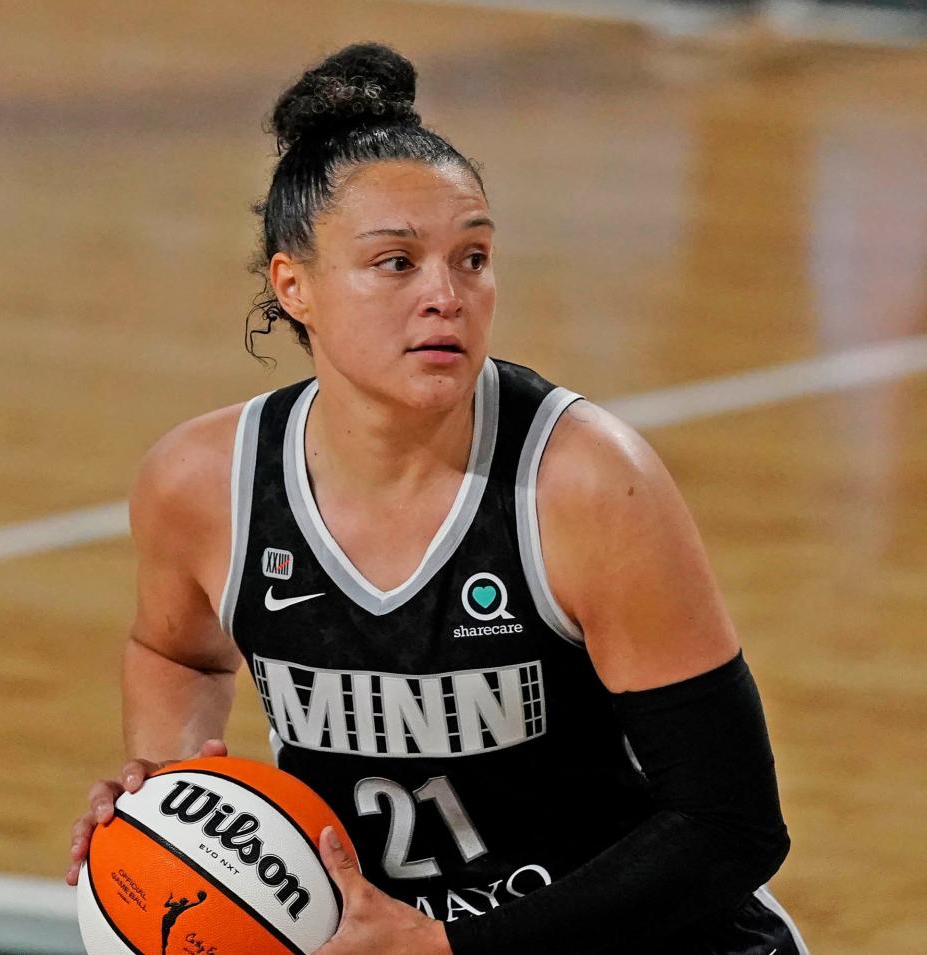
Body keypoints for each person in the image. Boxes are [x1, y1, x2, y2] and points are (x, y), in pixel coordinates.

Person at [67, 42, 808, 955]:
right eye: (395, 263)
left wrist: (454, 952)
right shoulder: (200, 482)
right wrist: (176, 799)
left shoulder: (585, 483)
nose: (445, 296)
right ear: (292, 285)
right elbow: (174, 650)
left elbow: (730, 826)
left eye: (473, 257)